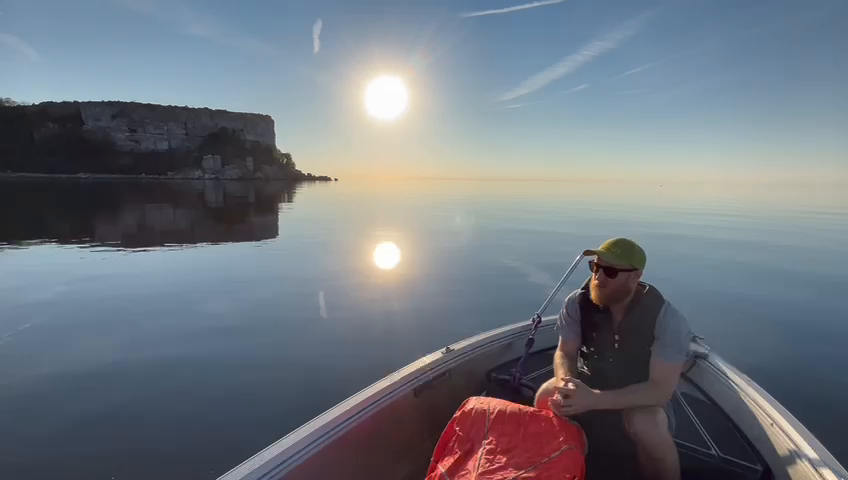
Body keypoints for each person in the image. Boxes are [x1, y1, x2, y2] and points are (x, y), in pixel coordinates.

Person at [535, 237, 692, 480]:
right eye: (595, 267)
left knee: (649, 428)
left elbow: (659, 391)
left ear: (635, 277)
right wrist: (566, 383)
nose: (598, 277)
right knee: (545, 397)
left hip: (639, 391)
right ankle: (565, 463)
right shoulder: (577, 303)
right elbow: (565, 351)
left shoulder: (668, 320)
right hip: (591, 378)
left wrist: (593, 400)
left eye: (609, 271)